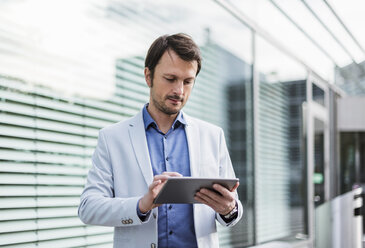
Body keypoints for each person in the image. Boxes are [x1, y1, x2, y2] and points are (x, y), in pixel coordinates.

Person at [78, 33, 243, 248]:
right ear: (148, 76)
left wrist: (229, 210)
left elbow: (233, 208)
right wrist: (141, 205)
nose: (179, 91)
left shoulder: (213, 136)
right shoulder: (112, 138)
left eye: (187, 81)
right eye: (170, 79)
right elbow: (88, 208)